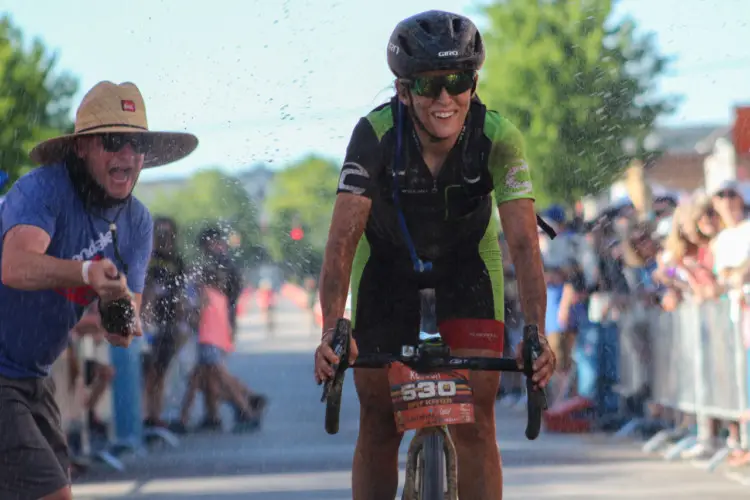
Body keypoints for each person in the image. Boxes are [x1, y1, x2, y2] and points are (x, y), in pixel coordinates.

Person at [312, 11, 555, 500]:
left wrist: (536, 333)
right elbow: (342, 242)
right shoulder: (374, 135)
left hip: (467, 268)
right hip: (386, 267)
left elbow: (525, 244)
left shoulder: (498, 136)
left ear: (474, 82)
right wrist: (331, 328)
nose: (446, 98)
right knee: (380, 422)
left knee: (476, 424)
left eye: (458, 81)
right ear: (403, 91)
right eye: (429, 86)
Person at [0, 81, 197, 500]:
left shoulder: (137, 223)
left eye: (136, 143)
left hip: (30, 376)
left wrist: (116, 300)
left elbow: (122, 332)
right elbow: (15, 267)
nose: (127, 155)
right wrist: (88, 272)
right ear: (82, 147)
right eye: (113, 141)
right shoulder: (42, 190)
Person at [141, 216, 187, 430]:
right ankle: (146, 414)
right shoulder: (147, 257)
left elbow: (182, 294)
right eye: (159, 233)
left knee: (161, 371)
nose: (163, 238)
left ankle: (156, 415)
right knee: (149, 371)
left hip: (169, 323)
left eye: (167, 234)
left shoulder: (178, 261)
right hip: (150, 322)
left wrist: (182, 324)